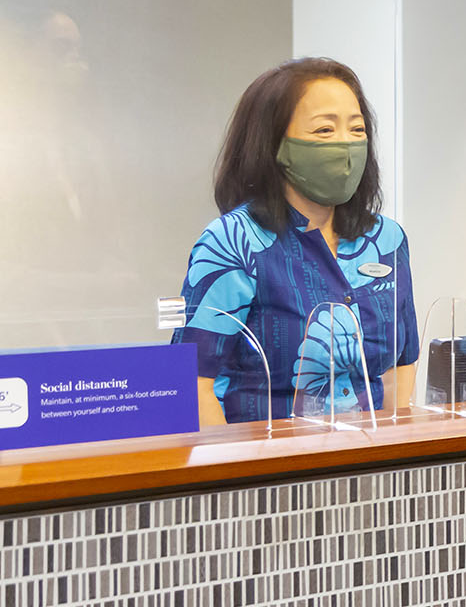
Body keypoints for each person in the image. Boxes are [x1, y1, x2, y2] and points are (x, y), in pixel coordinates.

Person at [172, 58, 418, 425]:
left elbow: (402, 365)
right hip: (266, 467)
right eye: (324, 131)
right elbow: (193, 383)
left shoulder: (386, 239)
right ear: (275, 145)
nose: (346, 145)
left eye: (357, 129)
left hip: (369, 464)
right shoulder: (235, 242)